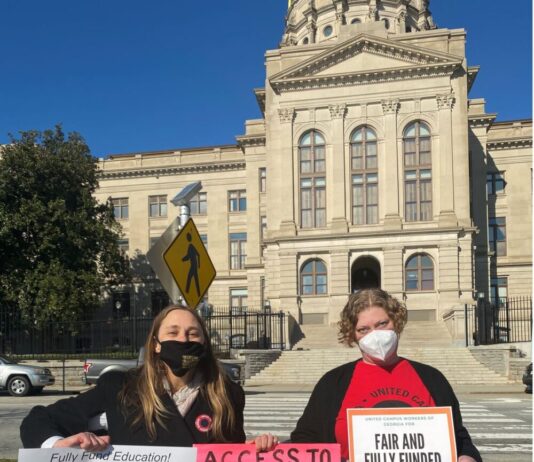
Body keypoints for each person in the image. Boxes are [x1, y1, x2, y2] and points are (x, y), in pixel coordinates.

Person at [21, 305, 277, 451]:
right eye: (173, 332)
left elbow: (230, 451)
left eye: (193, 334)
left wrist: (253, 450)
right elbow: (38, 420)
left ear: (204, 343)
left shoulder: (228, 394)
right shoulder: (120, 388)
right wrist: (57, 445)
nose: (183, 341)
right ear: (156, 344)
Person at [290, 289, 482, 462]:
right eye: (363, 329)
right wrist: (268, 448)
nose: (375, 335)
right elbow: (304, 440)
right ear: (353, 335)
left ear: (396, 322)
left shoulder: (432, 378)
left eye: (382, 324)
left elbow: (458, 437)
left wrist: (467, 457)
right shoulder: (332, 383)